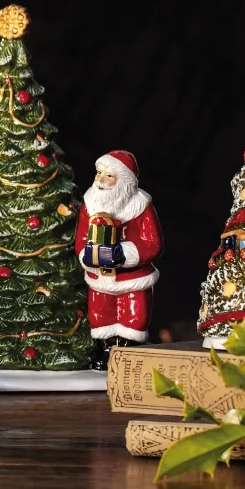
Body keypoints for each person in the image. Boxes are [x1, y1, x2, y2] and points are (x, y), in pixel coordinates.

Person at [75, 150, 162, 370]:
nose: (100, 180)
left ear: (123, 181)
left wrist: (123, 253)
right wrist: (89, 255)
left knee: (134, 315)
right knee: (100, 313)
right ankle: (105, 348)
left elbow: (152, 244)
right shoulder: (90, 204)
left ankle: (127, 349)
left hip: (132, 278)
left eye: (108, 176)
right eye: (98, 173)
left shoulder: (141, 206)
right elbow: (81, 239)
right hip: (100, 278)